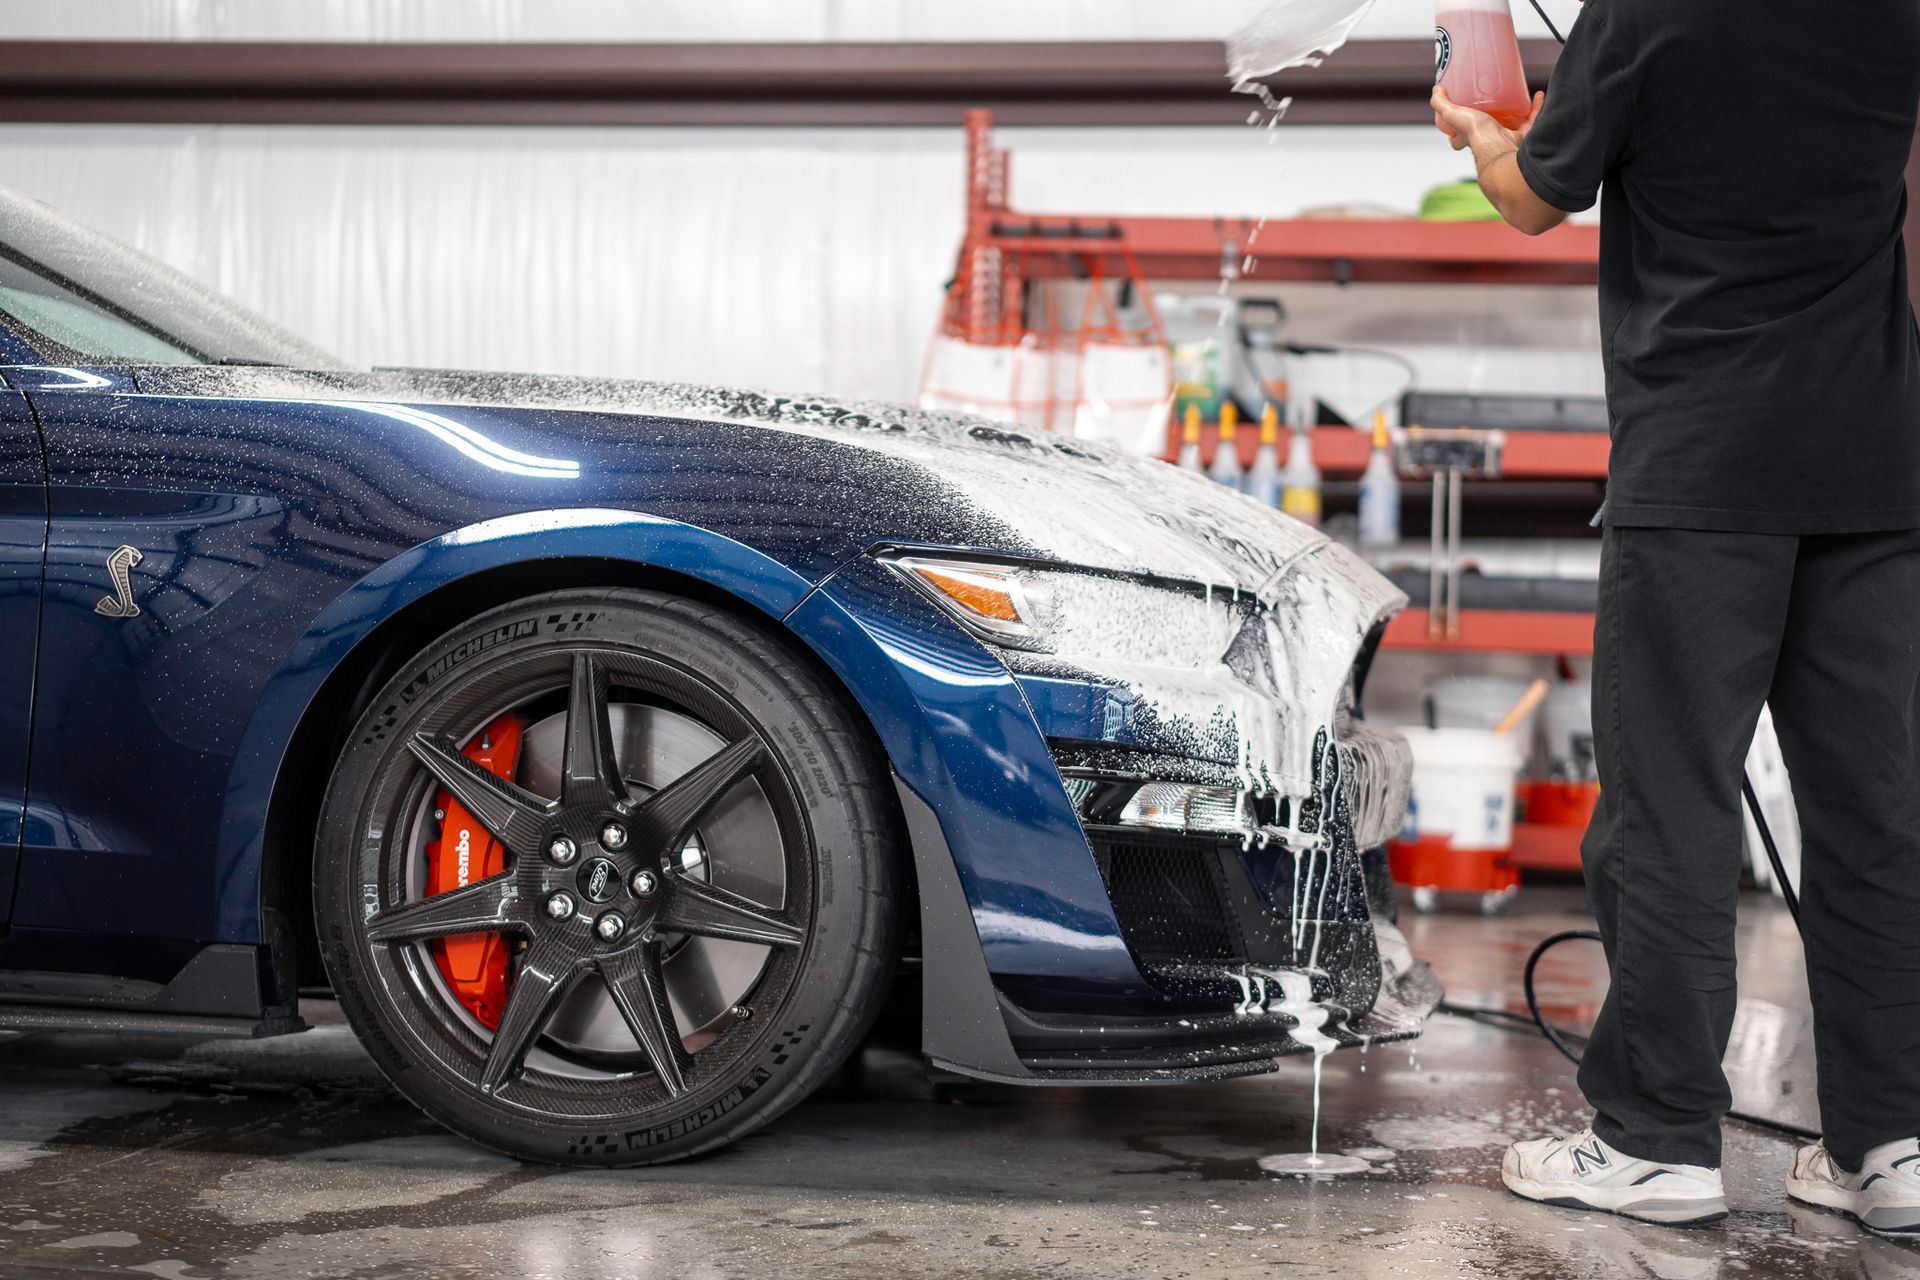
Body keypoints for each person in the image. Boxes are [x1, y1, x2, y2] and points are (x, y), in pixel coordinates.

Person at [1432, 0, 1920, 1235]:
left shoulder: (1648, 8)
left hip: (1704, 466)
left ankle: (1655, 1139)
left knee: (1668, 810)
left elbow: (1535, 195)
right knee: (1877, 816)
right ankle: (1894, 1145)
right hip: (1875, 458)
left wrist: (1482, 127)